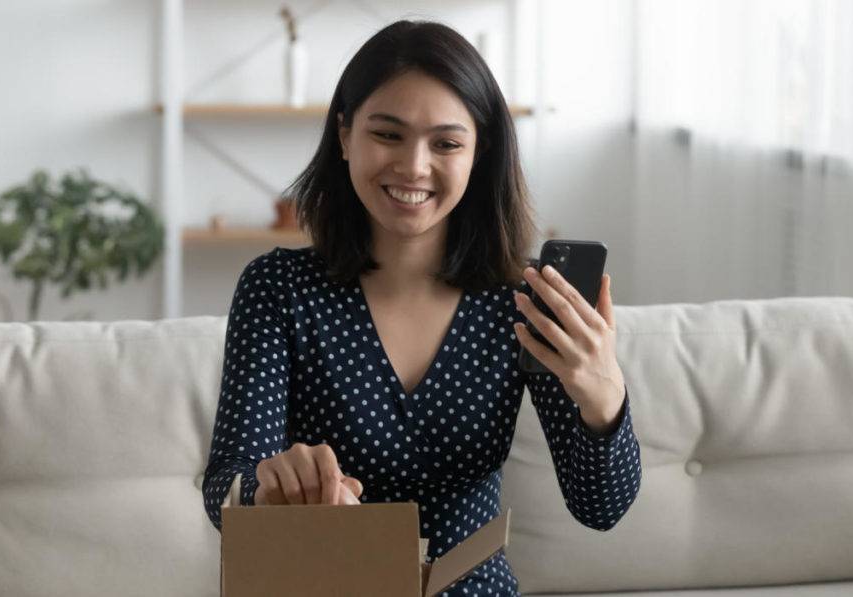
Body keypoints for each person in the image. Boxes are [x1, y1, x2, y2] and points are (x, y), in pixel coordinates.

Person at [202, 19, 642, 596]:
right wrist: (271, 491)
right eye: (388, 134)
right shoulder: (277, 288)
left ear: (479, 153)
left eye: (447, 143)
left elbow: (600, 508)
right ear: (344, 135)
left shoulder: (526, 302)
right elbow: (225, 490)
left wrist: (603, 395)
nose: (413, 166)